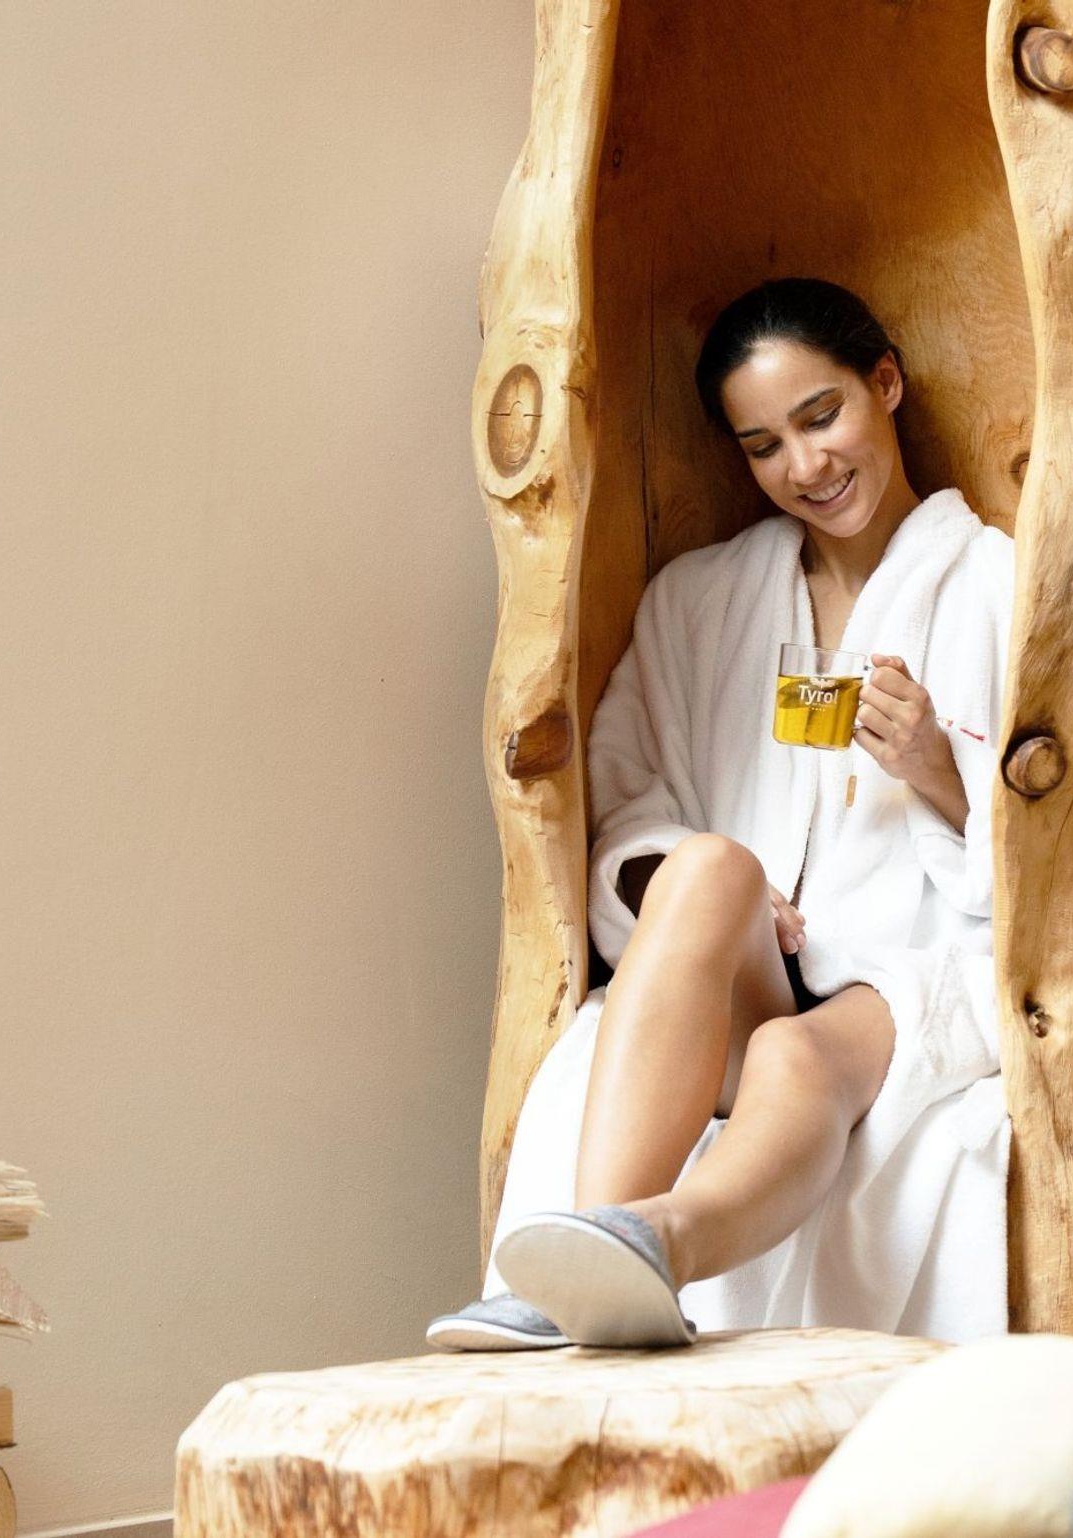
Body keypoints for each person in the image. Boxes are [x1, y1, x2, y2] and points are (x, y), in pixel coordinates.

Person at [428, 277, 1015, 1350]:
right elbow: (631, 803)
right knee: (704, 867)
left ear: (884, 383)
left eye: (821, 416)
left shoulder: (997, 588)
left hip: (911, 968)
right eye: (763, 445)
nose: (805, 466)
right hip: (750, 969)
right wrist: (702, 888)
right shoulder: (698, 601)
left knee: (797, 1060)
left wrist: (936, 770)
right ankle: (578, 1265)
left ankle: (655, 1246)